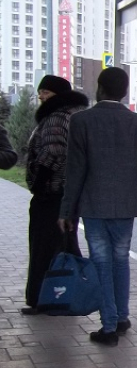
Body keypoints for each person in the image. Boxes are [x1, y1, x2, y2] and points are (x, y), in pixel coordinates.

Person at [59, 68, 137, 346]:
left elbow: (75, 171)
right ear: (125, 92)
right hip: (126, 206)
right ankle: (122, 317)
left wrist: (67, 210)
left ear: (100, 88)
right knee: (120, 260)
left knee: (101, 262)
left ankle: (109, 327)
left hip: (93, 205)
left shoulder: (82, 121)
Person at [21, 75, 89, 315]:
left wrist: (39, 185)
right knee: (65, 245)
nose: (41, 96)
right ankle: (71, 294)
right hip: (70, 193)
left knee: (44, 246)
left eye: (46, 93)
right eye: (40, 92)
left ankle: (41, 299)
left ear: (58, 96)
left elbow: (51, 151)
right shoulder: (77, 115)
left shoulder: (57, 116)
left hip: (52, 192)